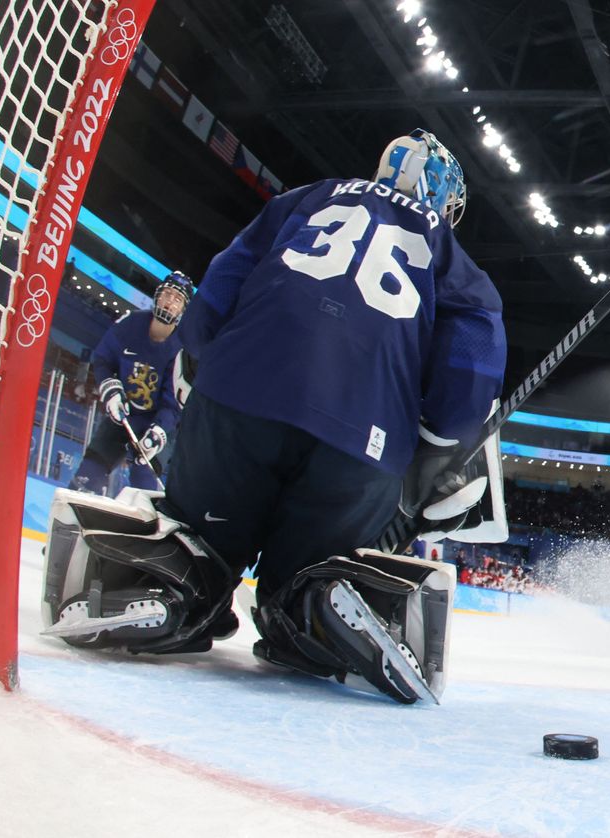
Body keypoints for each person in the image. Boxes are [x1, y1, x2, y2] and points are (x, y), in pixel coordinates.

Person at [159, 128, 506, 698]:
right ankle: (307, 609)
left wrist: (206, 355)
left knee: (203, 540)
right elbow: (471, 362)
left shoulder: (307, 197)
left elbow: (222, 279)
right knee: (309, 570)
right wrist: (439, 440)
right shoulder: (449, 251)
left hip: (239, 394)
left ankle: (181, 578)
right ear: (439, 190)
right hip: (362, 437)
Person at [68, 271, 192, 493]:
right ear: (157, 296)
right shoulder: (130, 324)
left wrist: (158, 432)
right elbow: (103, 359)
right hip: (123, 416)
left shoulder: (183, 350)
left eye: (177, 299)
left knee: (142, 480)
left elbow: (173, 404)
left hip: (156, 425)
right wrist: (109, 388)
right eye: (167, 294)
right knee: (88, 475)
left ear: (183, 310)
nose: (169, 302)